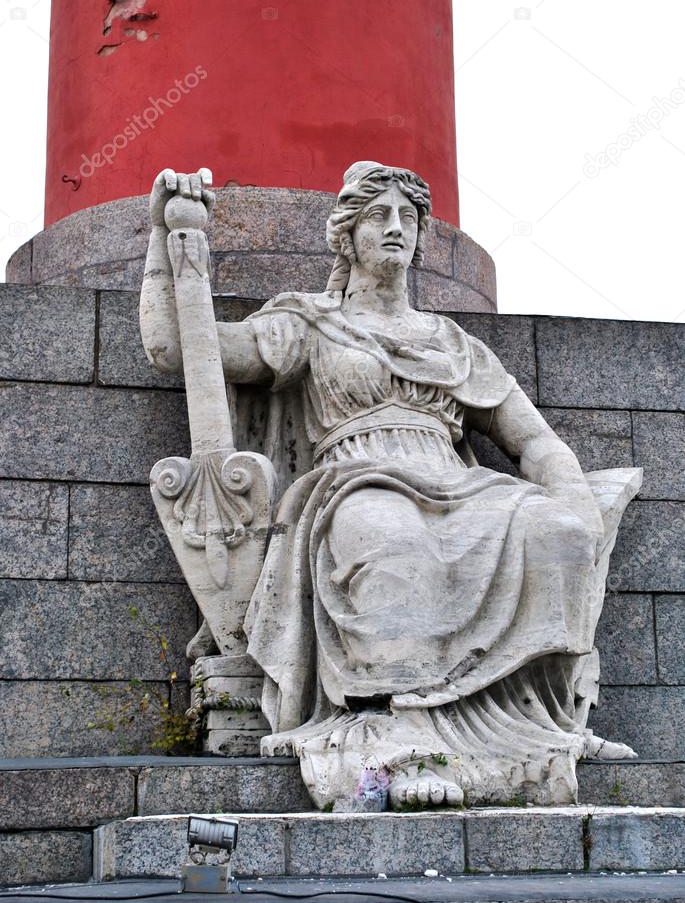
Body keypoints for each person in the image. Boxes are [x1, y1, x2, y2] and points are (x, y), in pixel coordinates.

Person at [141, 161, 635, 810]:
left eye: (409, 217)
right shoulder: (309, 323)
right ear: (347, 237)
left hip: (458, 485)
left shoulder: (448, 342)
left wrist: (574, 500)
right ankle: (399, 739)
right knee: (390, 538)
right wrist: (165, 239)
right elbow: (179, 348)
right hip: (355, 479)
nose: (396, 227)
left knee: (558, 531)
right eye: (379, 215)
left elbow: (533, 441)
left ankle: (539, 725)